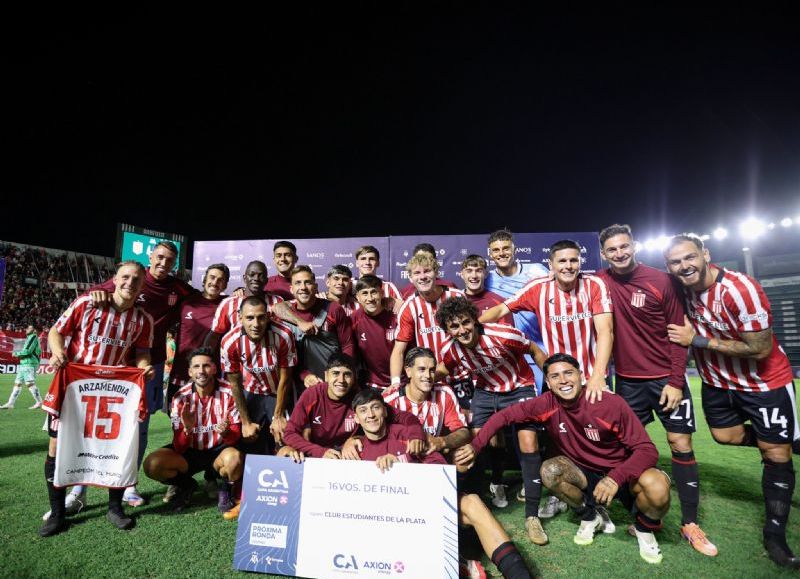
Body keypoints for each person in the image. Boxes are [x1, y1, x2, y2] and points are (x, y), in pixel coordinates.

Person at [664, 234, 800, 568]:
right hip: (716, 383)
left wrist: (696, 339)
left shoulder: (741, 289)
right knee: (723, 436)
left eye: (690, 257)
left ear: (705, 254)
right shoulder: (681, 289)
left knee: (775, 454)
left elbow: (760, 348)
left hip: (762, 383)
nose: (684, 266)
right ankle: (785, 440)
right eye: (675, 262)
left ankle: (775, 535)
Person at [456, 353, 671, 565]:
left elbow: (647, 450)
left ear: (580, 375)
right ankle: (589, 516)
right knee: (549, 471)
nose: (563, 380)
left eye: (568, 373)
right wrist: (475, 446)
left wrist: (615, 478)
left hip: (621, 476)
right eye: (555, 376)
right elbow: (503, 416)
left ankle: (644, 529)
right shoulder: (546, 404)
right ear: (548, 382)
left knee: (658, 486)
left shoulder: (609, 403)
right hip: (585, 477)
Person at [598, 224, 716, 556]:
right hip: (628, 381)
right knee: (621, 447)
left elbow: (680, 336)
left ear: (633, 245)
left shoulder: (661, 280)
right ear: (603, 254)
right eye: (612, 250)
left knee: (679, 443)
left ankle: (690, 524)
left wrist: (676, 382)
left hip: (665, 378)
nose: (619, 253)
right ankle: (644, 510)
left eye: (624, 246)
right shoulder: (600, 282)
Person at [352, 388, 533, 579]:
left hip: (425, 506)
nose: (370, 415)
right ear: (355, 418)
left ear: (385, 411)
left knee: (472, 502)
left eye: (375, 408)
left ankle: (519, 575)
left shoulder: (409, 435)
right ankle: (458, 563)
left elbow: (439, 468)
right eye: (363, 411)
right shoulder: (355, 449)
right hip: (387, 522)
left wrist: (402, 462)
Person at [39, 261, 155, 537]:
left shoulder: (143, 319)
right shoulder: (87, 304)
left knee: (117, 447)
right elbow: (57, 331)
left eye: (136, 279)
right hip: (74, 388)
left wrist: (143, 368)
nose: (130, 282)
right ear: (114, 279)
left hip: (115, 393)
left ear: (141, 286)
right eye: (125, 277)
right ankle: (57, 513)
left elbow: (141, 353)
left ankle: (115, 507)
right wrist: (57, 353)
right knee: (57, 447)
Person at [88, 240, 195, 507]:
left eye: (169, 260)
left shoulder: (177, 288)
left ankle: (129, 484)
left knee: (140, 425)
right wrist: (95, 294)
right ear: (150, 256)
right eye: (159, 257)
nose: (163, 263)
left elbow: (202, 297)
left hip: (149, 365)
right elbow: (93, 294)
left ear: (175, 263)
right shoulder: (132, 276)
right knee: (97, 424)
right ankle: (80, 488)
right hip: (115, 363)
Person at [436, 297, 551, 546]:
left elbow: (533, 349)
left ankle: (532, 516)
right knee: (481, 440)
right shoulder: (451, 350)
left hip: (519, 386)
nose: (462, 330)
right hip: (486, 392)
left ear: (475, 320)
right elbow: (442, 370)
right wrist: (421, 379)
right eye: (454, 327)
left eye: (466, 322)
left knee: (528, 441)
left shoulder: (503, 334)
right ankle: (496, 483)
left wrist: (549, 377)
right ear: (447, 330)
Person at [481, 239, 614, 403]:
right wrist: (473, 326)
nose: (568, 266)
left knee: (604, 427)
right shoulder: (538, 288)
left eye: (573, 260)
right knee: (560, 428)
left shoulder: (594, 285)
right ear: (551, 265)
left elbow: (605, 331)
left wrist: (598, 375)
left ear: (580, 262)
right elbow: (501, 309)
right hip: (557, 378)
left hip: (593, 375)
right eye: (562, 261)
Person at [143, 348, 243, 516]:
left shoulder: (230, 392)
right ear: (190, 371)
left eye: (206, 366)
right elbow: (179, 447)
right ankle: (187, 485)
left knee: (235, 459)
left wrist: (226, 433)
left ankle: (225, 490)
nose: (201, 371)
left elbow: (235, 437)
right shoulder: (179, 397)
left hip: (218, 451)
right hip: (189, 452)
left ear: (215, 368)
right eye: (196, 367)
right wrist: (187, 430)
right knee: (152, 465)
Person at [280, 352, 425, 460]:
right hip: (318, 454)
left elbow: (405, 417)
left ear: (354, 378)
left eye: (347, 375)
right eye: (335, 373)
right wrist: (319, 452)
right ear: (326, 376)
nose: (341, 380)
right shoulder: (312, 394)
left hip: (348, 456)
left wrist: (416, 435)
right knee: (284, 452)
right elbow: (290, 433)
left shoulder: (359, 398)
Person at [220, 296, 296, 460]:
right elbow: (235, 383)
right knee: (247, 436)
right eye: (250, 318)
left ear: (268, 316)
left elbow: (286, 379)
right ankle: (237, 481)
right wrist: (246, 422)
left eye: (261, 317)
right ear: (240, 317)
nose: (256, 324)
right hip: (252, 391)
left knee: (284, 434)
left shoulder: (283, 335)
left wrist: (278, 416)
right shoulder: (229, 342)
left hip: (279, 391)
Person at [271, 265, 355, 388]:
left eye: (308, 282)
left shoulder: (333, 309)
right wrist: (304, 375)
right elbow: (276, 308)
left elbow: (348, 345)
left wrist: (341, 374)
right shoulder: (286, 313)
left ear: (315, 287)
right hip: (298, 382)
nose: (303, 287)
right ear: (291, 289)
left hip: (333, 382)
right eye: (298, 283)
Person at [389, 252, 464, 383]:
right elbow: (398, 351)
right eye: (417, 273)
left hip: (462, 375)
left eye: (427, 271)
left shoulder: (457, 297)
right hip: (431, 379)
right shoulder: (409, 307)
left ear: (436, 273)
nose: (422, 277)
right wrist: (395, 383)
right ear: (411, 278)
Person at [207, 261, 283, 348]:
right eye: (252, 274)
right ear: (244, 278)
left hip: (270, 356)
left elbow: (283, 332)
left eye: (260, 275)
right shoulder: (228, 303)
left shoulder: (278, 301)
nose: (256, 278)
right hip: (237, 358)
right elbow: (215, 335)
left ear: (266, 280)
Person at [351, 274, 399, 390]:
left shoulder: (396, 314)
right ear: (357, 297)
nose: (370, 298)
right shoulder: (354, 319)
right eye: (364, 293)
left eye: (374, 292)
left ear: (382, 294)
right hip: (372, 384)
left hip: (400, 381)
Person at [1, 324, 43, 409]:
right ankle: (10, 403)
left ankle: (39, 402)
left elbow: (27, 351)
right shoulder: (30, 338)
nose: (26, 329)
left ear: (34, 330)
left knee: (29, 383)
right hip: (24, 364)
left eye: (29, 327)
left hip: (29, 364)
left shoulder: (33, 337)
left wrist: (16, 354)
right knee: (18, 383)